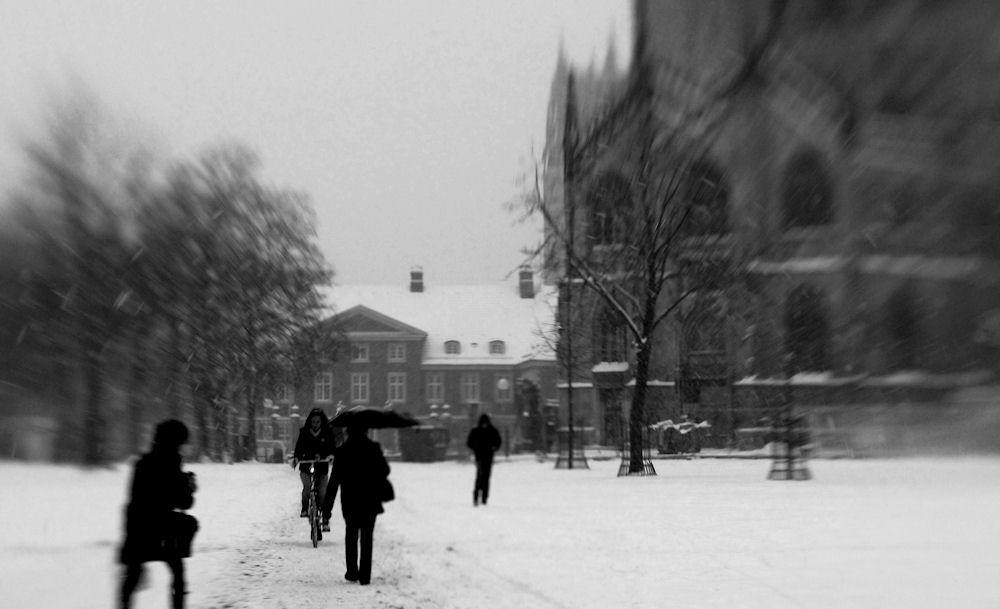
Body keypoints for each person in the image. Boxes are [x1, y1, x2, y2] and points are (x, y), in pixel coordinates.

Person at [119, 419, 198, 609]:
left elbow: (136, 498)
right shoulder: (172, 464)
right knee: (177, 571)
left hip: (137, 529)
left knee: (131, 576)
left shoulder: (142, 463)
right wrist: (189, 487)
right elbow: (184, 503)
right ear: (177, 442)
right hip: (164, 532)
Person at [325, 425, 390, 585]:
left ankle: (352, 572)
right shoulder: (374, 448)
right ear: (366, 431)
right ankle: (365, 576)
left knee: (351, 535)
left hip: (350, 500)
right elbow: (385, 470)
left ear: (347, 433)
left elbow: (333, 483)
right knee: (367, 537)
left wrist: (326, 508)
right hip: (370, 499)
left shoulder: (342, 452)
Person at [293, 408, 337, 531]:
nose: (315, 424)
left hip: (322, 467)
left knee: (323, 492)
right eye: (313, 422)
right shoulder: (304, 433)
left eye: (318, 422)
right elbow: (299, 448)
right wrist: (297, 458)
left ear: (321, 422)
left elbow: (332, 448)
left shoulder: (327, 434)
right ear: (310, 422)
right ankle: (305, 507)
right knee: (307, 486)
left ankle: (325, 518)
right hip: (307, 466)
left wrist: (330, 456)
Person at [466, 413, 502, 506]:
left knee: (485, 477)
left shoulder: (489, 431)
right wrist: (476, 448)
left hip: (487, 456)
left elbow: (498, 442)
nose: (484, 425)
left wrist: (494, 447)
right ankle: (477, 497)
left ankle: (484, 498)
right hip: (480, 456)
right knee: (480, 476)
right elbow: (469, 442)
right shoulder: (482, 431)